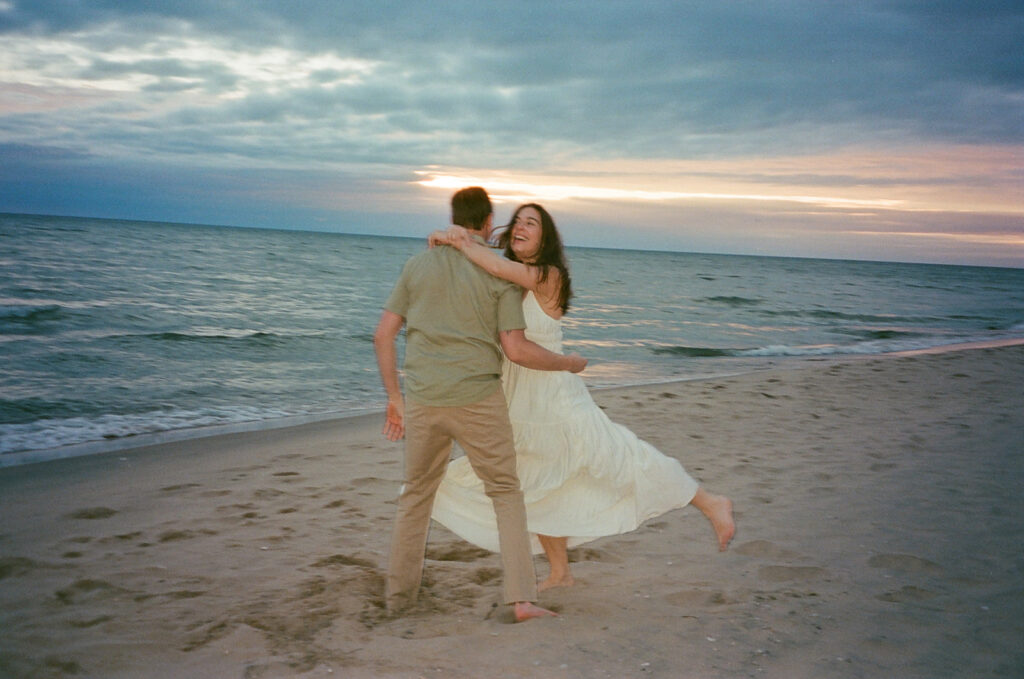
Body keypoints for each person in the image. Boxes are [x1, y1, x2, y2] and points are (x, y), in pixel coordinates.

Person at [428, 203, 735, 592]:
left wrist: (454, 238)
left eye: (531, 223)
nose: (521, 227)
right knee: (538, 482)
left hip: (556, 398)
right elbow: (484, 272)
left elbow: (495, 266)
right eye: (517, 221)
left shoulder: (547, 275)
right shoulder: (504, 278)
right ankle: (561, 572)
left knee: (620, 455)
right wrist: (453, 240)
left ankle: (709, 502)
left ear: (545, 237)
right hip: (518, 398)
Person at [374, 187, 588, 622]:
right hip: (477, 398)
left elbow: (383, 336)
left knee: (415, 496)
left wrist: (394, 399)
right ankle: (522, 600)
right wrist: (568, 363)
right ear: (489, 222)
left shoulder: (417, 265)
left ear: (453, 217)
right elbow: (514, 347)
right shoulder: (499, 275)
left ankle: (398, 603)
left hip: (423, 397)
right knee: (506, 492)